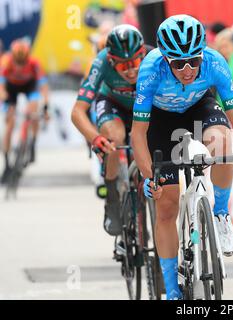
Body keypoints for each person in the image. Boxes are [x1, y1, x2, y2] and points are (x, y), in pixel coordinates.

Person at [131, 15, 233, 300]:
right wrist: (149, 176)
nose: (188, 69)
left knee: (224, 142)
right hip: (160, 120)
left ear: (203, 54)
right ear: (166, 60)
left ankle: (221, 215)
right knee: (166, 206)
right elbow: (138, 135)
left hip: (199, 108)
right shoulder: (151, 70)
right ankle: (172, 288)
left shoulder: (214, 62)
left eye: (194, 60)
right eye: (178, 63)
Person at [71, 24, 151, 236]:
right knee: (114, 139)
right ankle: (113, 200)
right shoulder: (101, 63)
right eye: (123, 67)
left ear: (142, 54)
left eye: (134, 62)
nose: (131, 70)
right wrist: (95, 138)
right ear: (111, 61)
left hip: (144, 107)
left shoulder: (154, 57)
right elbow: (77, 112)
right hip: (113, 104)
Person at [0, 39, 49, 184]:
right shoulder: (5, 62)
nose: (20, 67)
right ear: (13, 58)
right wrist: (5, 101)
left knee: (33, 109)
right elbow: (1, 88)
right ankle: (7, 162)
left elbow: (44, 88)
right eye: (18, 63)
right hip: (11, 89)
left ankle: (32, 142)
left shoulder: (34, 63)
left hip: (29, 86)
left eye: (23, 63)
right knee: (10, 123)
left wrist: (45, 106)